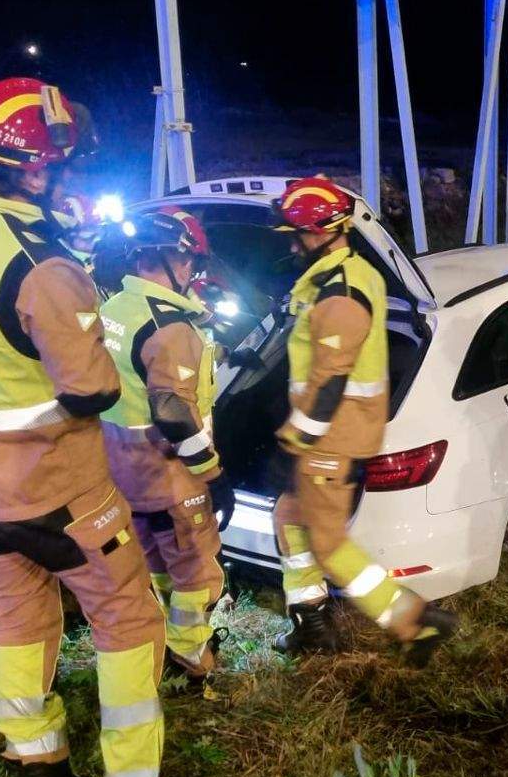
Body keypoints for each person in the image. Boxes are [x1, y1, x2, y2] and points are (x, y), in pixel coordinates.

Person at [0, 78, 193, 777]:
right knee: (128, 620)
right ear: (32, 171)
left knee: (17, 616)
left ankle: (36, 761)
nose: (71, 175)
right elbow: (91, 389)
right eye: (64, 164)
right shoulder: (46, 265)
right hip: (64, 494)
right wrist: (79, 286)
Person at [267, 176, 458, 663]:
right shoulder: (343, 274)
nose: (292, 243)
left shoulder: (340, 295)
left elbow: (330, 382)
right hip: (329, 435)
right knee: (290, 519)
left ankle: (414, 623)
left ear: (328, 230)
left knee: (328, 544)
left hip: (330, 438)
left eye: (299, 234)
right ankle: (313, 625)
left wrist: (294, 441)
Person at [98, 210, 234, 684]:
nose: (193, 270)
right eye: (188, 259)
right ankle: (191, 656)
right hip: (171, 473)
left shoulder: (114, 307)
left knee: (157, 556)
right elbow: (174, 411)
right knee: (198, 570)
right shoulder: (171, 330)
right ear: (170, 256)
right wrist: (212, 474)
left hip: (122, 468)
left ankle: (163, 628)